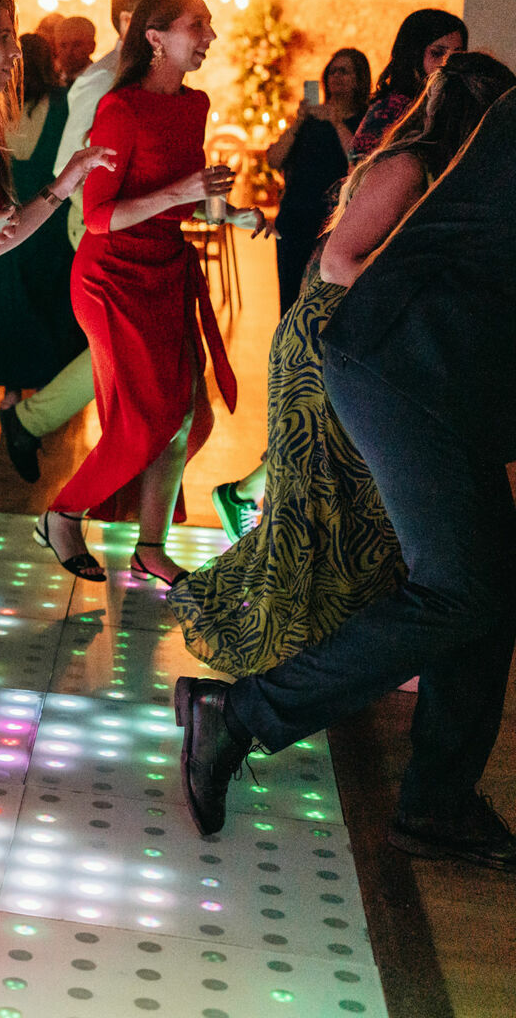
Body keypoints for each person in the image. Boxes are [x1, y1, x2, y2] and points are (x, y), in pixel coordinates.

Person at [179, 85, 516, 873]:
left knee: (491, 585)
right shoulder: (425, 151)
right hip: (406, 364)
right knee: (460, 587)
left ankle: (437, 801)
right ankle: (238, 711)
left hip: (440, 367)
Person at [34, 0, 266, 586]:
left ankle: (150, 545)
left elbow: (190, 198)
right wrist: (182, 193)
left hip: (165, 270)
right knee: (147, 418)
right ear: (155, 38)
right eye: (199, 26)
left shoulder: (195, 105)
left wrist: (231, 213)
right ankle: (62, 513)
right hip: (112, 277)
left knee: (190, 415)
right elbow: (98, 216)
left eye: (209, 26)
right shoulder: (120, 109)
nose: (210, 37)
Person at [0, 0, 169, 482]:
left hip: (149, 228)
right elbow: (68, 170)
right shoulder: (101, 81)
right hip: (102, 224)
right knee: (125, 350)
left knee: (141, 356)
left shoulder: (162, 78)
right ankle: (37, 426)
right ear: (132, 22)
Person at [0, 32, 87, 397]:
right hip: (51, 220)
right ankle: (47, 396)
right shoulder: (65, 102)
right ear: (50, 61)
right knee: (51, 305)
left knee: (6, 305)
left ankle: (10, 394)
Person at [268, 47, 373, 314]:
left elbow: (361, 161)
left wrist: (337, 122)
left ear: (359, 79)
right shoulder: (310, 120)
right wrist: (298, 121)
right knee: (290, 299)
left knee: (324, 304)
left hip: (333, 224)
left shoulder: (364, 120)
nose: (336, 76)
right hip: (295, 217)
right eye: (332, 70)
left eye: (344, 71)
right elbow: (274, 159)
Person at [348, 9, 466, 159]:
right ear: (413, 54)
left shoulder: (450, 104)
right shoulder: (392, 109)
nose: (447, 63)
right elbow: (361, 168)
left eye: (457, 55)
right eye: (437, 53)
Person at [53, 15, 98, 84]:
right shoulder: (49, 82)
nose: (68, 52)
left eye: (77, 45)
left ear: (92, 47)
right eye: (63, 45)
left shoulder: (102, 82)